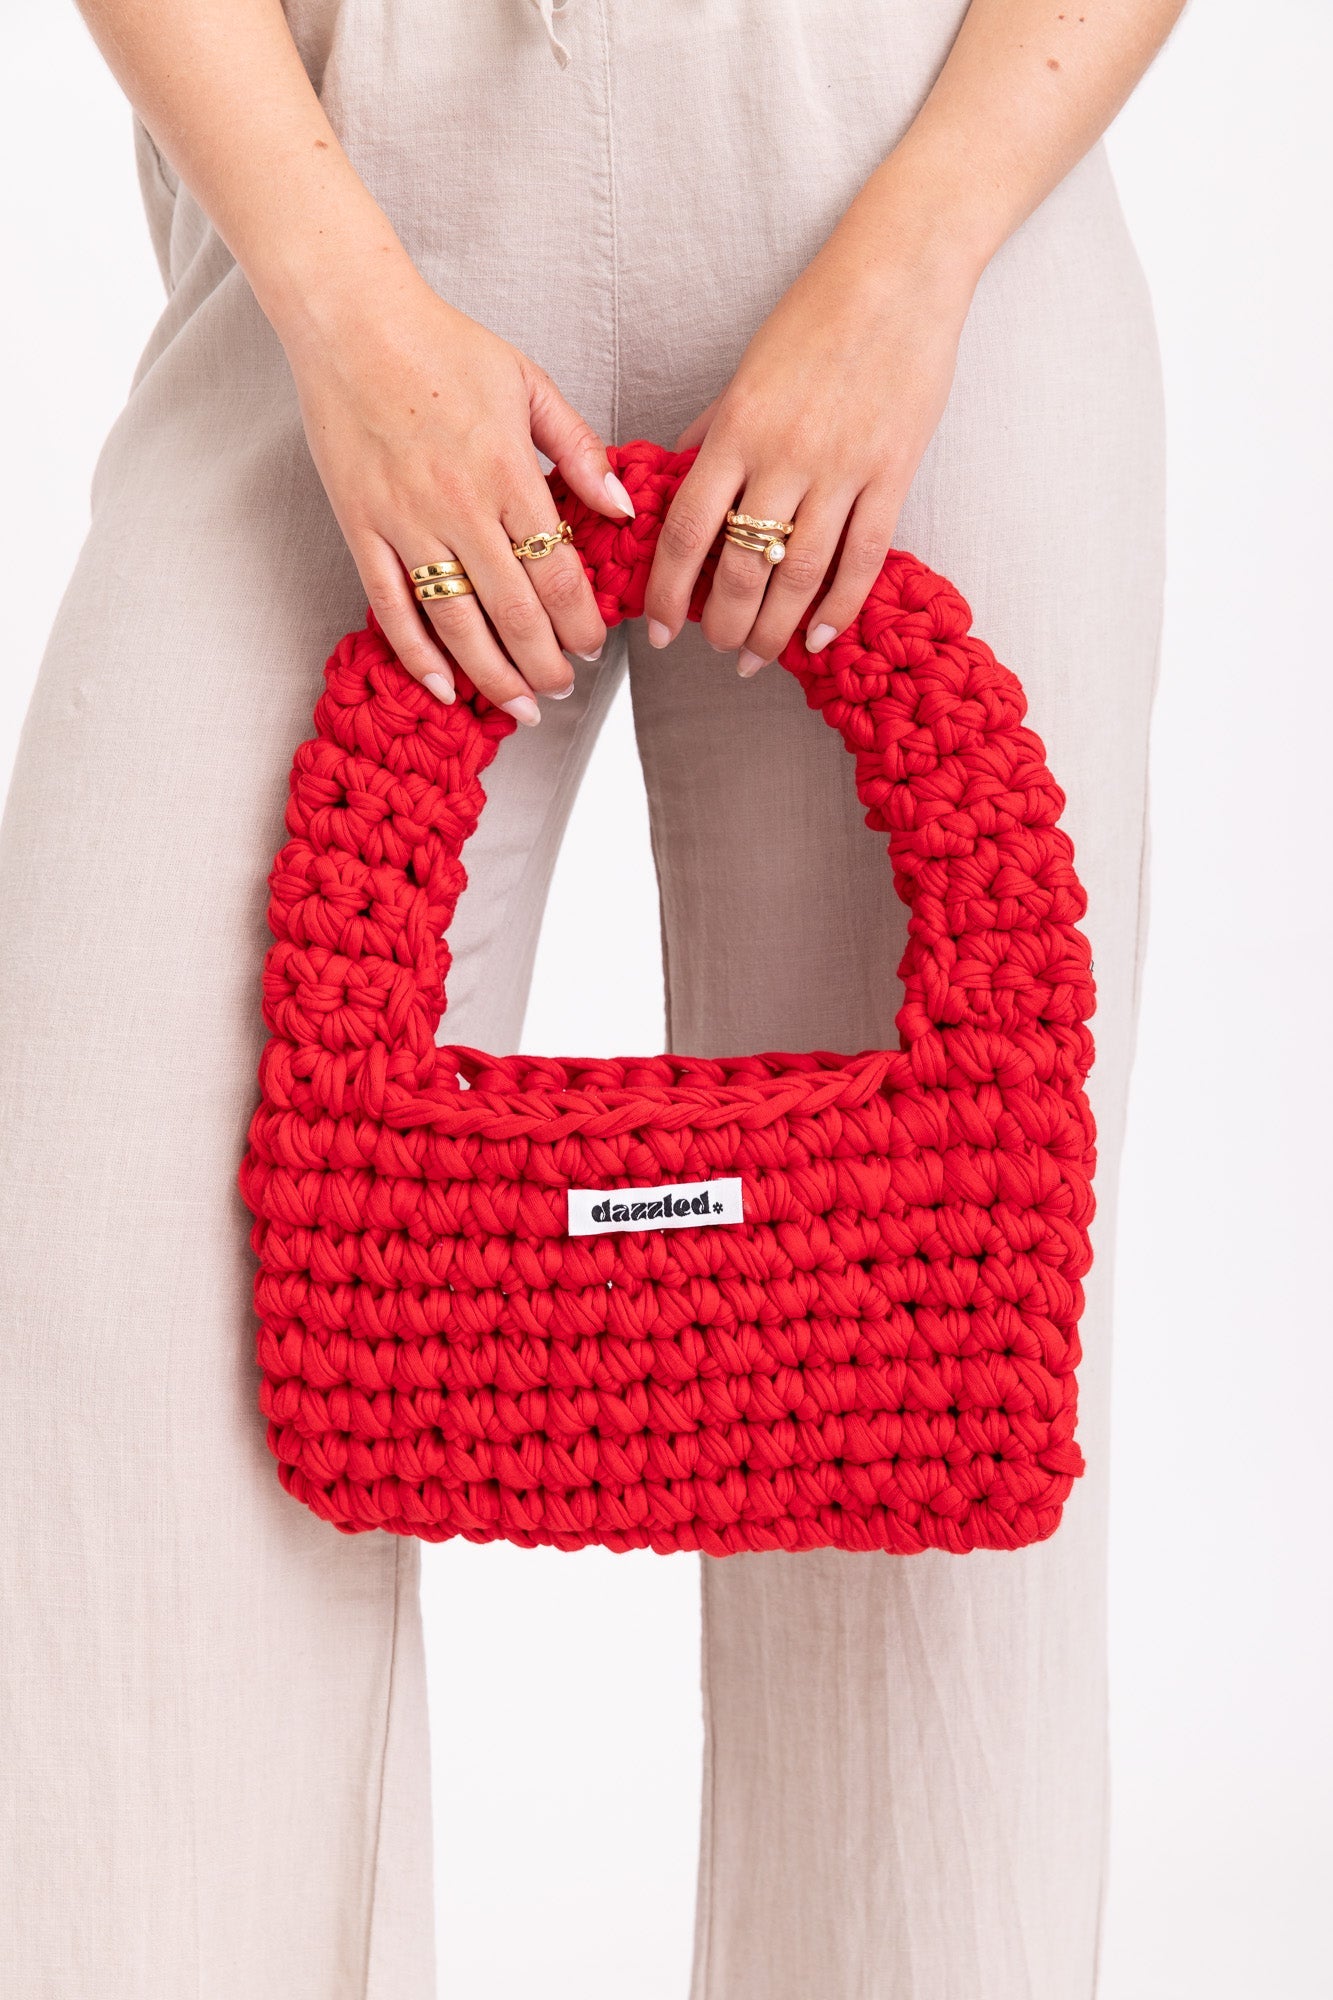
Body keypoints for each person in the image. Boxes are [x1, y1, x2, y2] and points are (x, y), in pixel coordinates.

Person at [0, 1, 1184, 1994]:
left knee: (931, 1383)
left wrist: (913, 262)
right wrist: (346, 311)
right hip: (344, 190)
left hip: (923, 178)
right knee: (126, 1338)